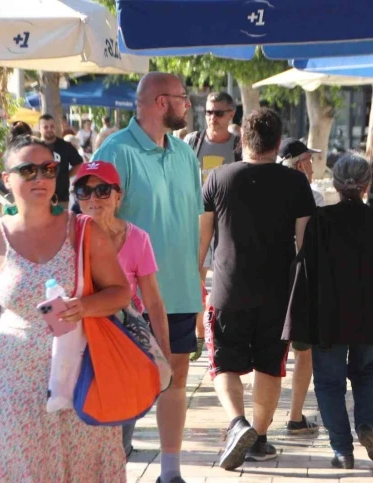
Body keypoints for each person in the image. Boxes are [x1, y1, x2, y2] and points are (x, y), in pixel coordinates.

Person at [0, 135, 130, 482]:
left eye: (48, 169)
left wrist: (86, 306)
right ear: (7, 179)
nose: (40, 179)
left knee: (82, 468)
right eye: (28, 170)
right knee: (22, 471)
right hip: (12, 386)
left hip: (80, 377)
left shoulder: (82, 230)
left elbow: (121, 292)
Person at [91, 72, 203, 483]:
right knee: (124, 388)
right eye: (183, 98)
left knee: (175, 380)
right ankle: (111, 470)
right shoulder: (115, 152)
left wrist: (197, 286)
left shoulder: (185, 154)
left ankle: (170, 473)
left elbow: (191, 225)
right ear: (160, 102)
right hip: (127, 299)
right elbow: (91, 224)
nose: (188, 105)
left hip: (180, 291)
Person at [199, 109, 315, 470]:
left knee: (223, 366)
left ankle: (238, 424)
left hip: (228, 291)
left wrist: (194, 291)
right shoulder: (296, 184)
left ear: (242, 141)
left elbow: (200, 244)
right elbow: (305, 246)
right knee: (269, 368)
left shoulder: (217, 179)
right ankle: (259, 439)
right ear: (278, 143)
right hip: (278, 295)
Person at [285, 153, 373, 470]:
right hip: (370, 320)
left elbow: (304, 269)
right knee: (366, 372)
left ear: (336, 184)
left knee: (329, 384)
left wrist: (298, 322)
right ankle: (366, 424)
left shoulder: (320, 221)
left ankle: (342, 451)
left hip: (328, 320)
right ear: (366, 185)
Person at [71, 160, 171, 457]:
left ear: (118, 195)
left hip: (121, 341)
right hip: (77, 338)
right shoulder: (67, 235)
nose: (93, 199)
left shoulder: (137, 238)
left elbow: (153, 300)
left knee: (119, 434)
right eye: (84, 191)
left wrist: (163, 355)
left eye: (102, 190)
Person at [184, 92, 241, 363]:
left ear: (231, 114)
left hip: (230, 225)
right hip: (196, 223)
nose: (212, 118)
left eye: (218, 113)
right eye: (208, 112)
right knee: (194, 278)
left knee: (225, 282)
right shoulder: (192, 143)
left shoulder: (239, 146)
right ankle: (199, 334)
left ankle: (221, 333)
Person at [276, 137, 325, 436]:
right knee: (302, 352)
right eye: (309, 159)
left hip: (270, 279)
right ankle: (295, 415)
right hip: (301, 283)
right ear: (300, 163)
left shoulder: (270, 193)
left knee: (270, 352)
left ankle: (260, 419)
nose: (313, 165)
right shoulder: (313, 197)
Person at [38, 114, 84, 210]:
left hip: (61, 197)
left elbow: (79, 163)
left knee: (61, 224)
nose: (49, 129)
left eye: (52, 126)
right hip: (39, 196)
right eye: (46, 127)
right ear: (40, 129)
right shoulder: (35, 147)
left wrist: (67, 175)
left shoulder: (65, 146)